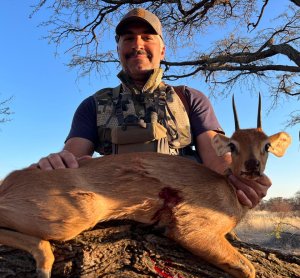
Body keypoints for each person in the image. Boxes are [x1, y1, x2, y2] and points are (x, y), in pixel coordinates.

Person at [33, 8, 271, 208]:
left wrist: (240, 179)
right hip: (115, 209)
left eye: (147, 37)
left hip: (184, 209)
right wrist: (56, 163)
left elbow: (217, 160)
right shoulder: (93, 105)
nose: (137, 44)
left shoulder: (190, 99)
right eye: (128, 38)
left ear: (163, 50)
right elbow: (72, 158)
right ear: (118, 50)